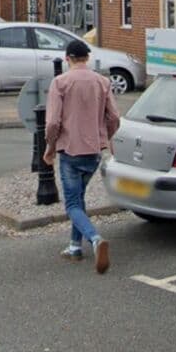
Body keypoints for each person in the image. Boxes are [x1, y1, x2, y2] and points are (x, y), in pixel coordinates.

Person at [43, 40, 122, 273]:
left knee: (72, 204)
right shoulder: (102, 82)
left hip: (70, 149)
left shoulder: (60, 82)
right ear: (87, 58)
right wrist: (105, 137)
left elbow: (52, 122)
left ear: (67, 58)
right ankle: (74, 247)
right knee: (79, 198)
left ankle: (95, 239)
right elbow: (115, 117)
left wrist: (50, 147)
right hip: (94, 151)